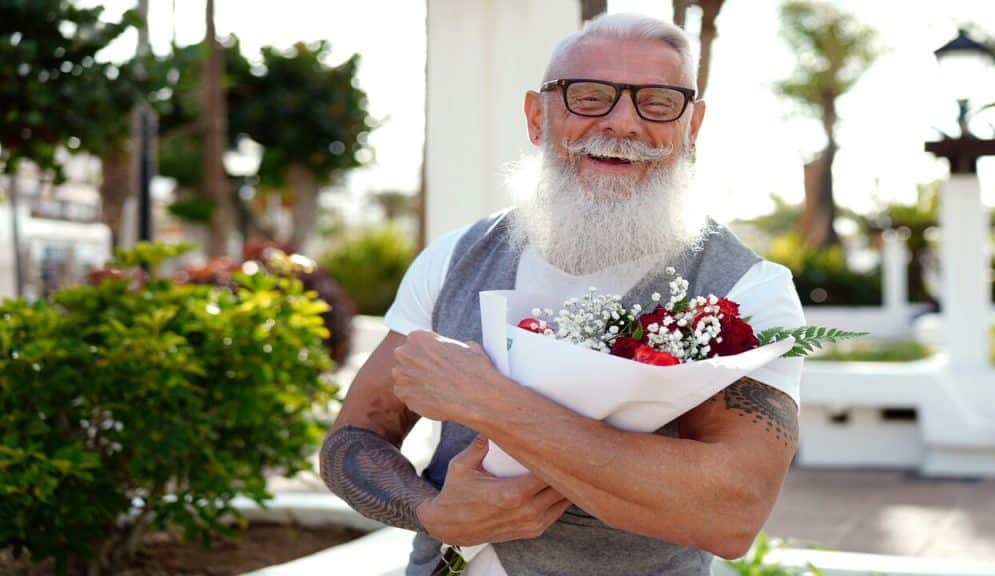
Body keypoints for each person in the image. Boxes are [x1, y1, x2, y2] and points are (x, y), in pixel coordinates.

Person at [320, 12, 805, 576]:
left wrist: (489, 401)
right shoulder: (456, 258)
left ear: (691, 125)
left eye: (657, 102)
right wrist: (431, 512)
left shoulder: (746, 290)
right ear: (536, 116)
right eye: (590, 96)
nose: (623, 123)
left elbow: (731, 515)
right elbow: (352, 438)